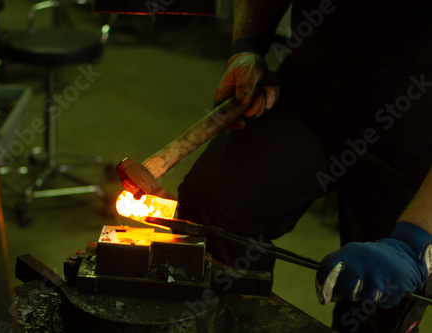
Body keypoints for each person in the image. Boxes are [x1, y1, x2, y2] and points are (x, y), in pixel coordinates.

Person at [177, 0, 432, 332]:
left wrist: (414, 241)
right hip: (311, 91)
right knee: (214, 204)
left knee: (378, 293)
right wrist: (248, 47)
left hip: (415, 126)